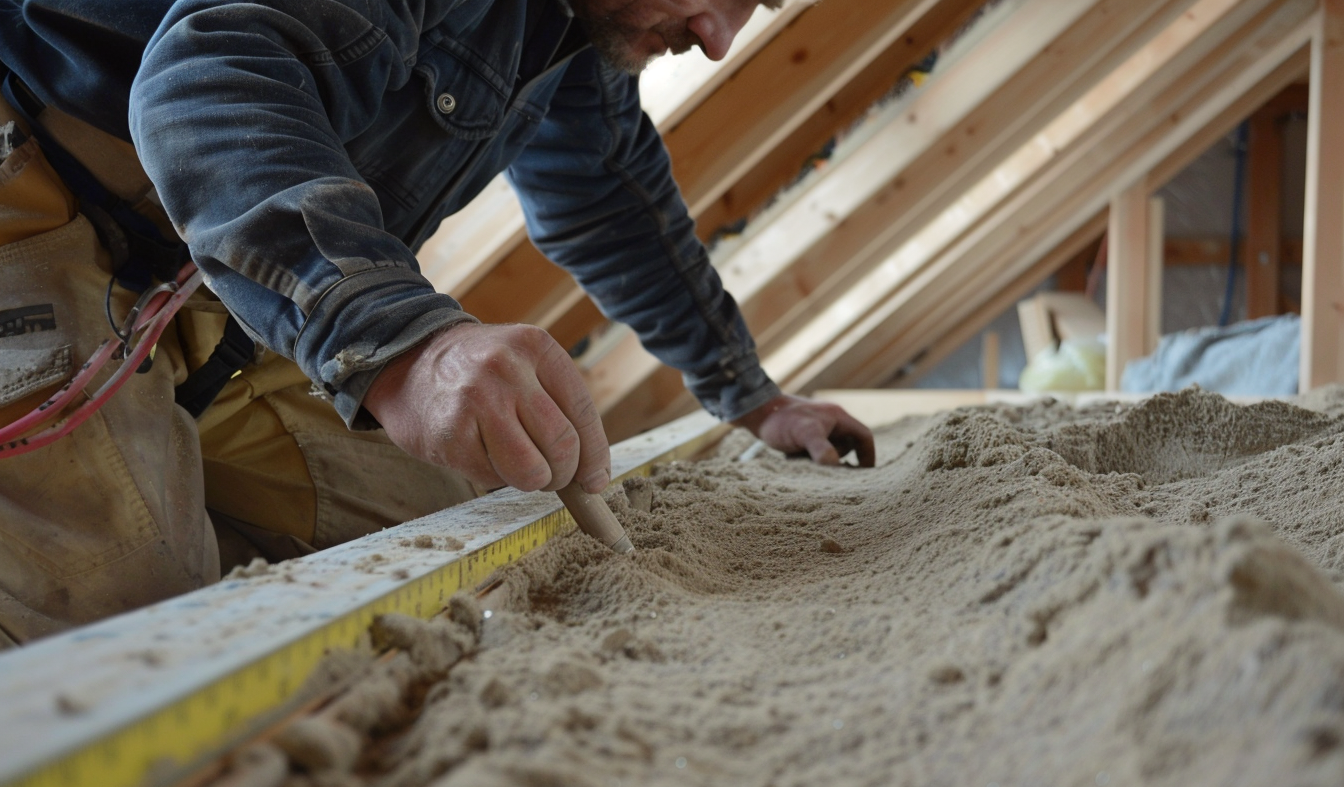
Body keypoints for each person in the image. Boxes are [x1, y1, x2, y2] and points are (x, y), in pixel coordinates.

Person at [0, 0, 875, 646]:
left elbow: (615, 203)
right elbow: (211, 78)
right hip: (41, 195)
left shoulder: (586, 31)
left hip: (237, 273)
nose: (719, 41)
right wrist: (404, 342)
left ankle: (159, 483)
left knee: (463, 536)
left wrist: (755, 399)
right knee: (129, 617)